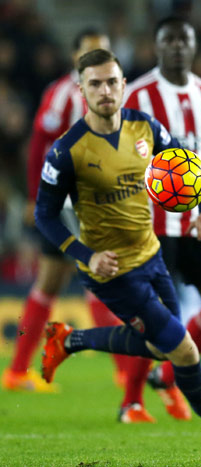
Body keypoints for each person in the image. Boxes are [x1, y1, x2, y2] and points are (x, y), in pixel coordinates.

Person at [35, 48, 201, 444]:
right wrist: (87, 256)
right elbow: (44, 217)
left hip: (150, 254)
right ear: (82, 91)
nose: (105, 90)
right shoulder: (67, 150)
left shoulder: (146, 127)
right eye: (95, 84)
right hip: (111, 269)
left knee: (159, 348)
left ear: (122, 85)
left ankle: (68, 340)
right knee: (183, 349)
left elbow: (188, 164)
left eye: (112, 81)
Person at [119, 16, 201, 424]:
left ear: (194, 47)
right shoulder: (137, 96)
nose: (177, 46)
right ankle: (132, 402)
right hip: (152, 223)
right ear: (156, 46)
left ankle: (168, 374)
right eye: (169, 39)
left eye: (183, 40)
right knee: (155, 314)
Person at [1, 29, 129, 394]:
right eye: (90, 52)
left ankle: (17, 370)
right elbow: (38, 142)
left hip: (100, 200)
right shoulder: (61, 93)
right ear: (75, 58)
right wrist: (32, 196)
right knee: (100, 281)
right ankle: (126, 376)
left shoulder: (117, 91)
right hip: (71, 202)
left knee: (49, 284)